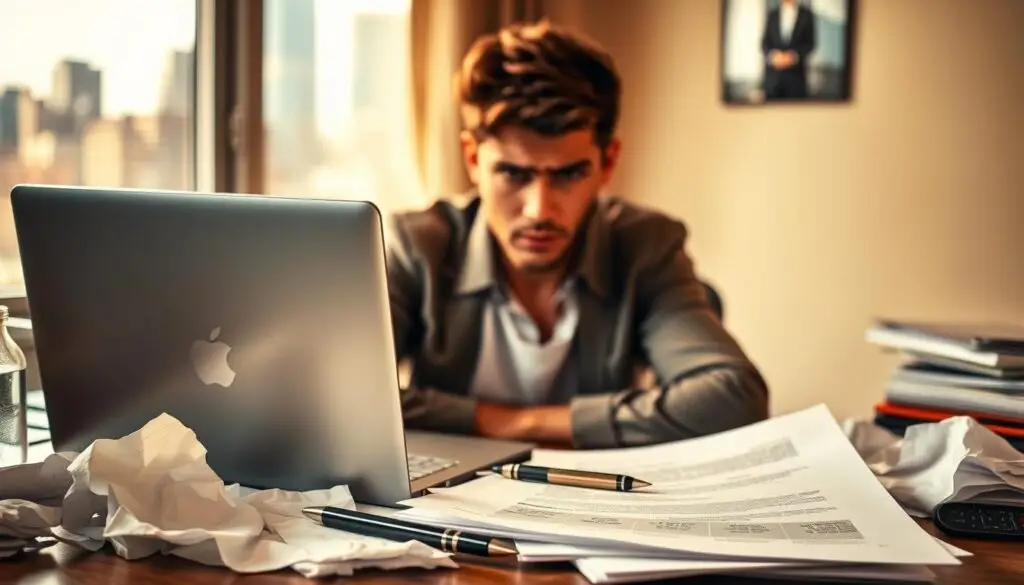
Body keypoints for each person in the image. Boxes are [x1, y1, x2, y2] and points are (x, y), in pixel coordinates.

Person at [386, 20, 768, 449]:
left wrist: (519, 425)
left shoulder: (646, 246)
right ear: (473, 159)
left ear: (607, 163)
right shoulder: (417, 245)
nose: (539, 210)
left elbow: (736, 397)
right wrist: (537, 425)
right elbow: (342, 397)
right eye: (513, 173)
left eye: (568, 175)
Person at [761, 0, 817, 100]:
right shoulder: (772, 14)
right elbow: (765, 43)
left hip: (796, 79)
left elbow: (810, 44)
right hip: (773, 79)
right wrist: (773, 56)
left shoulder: (807, 15)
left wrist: (793, 57)